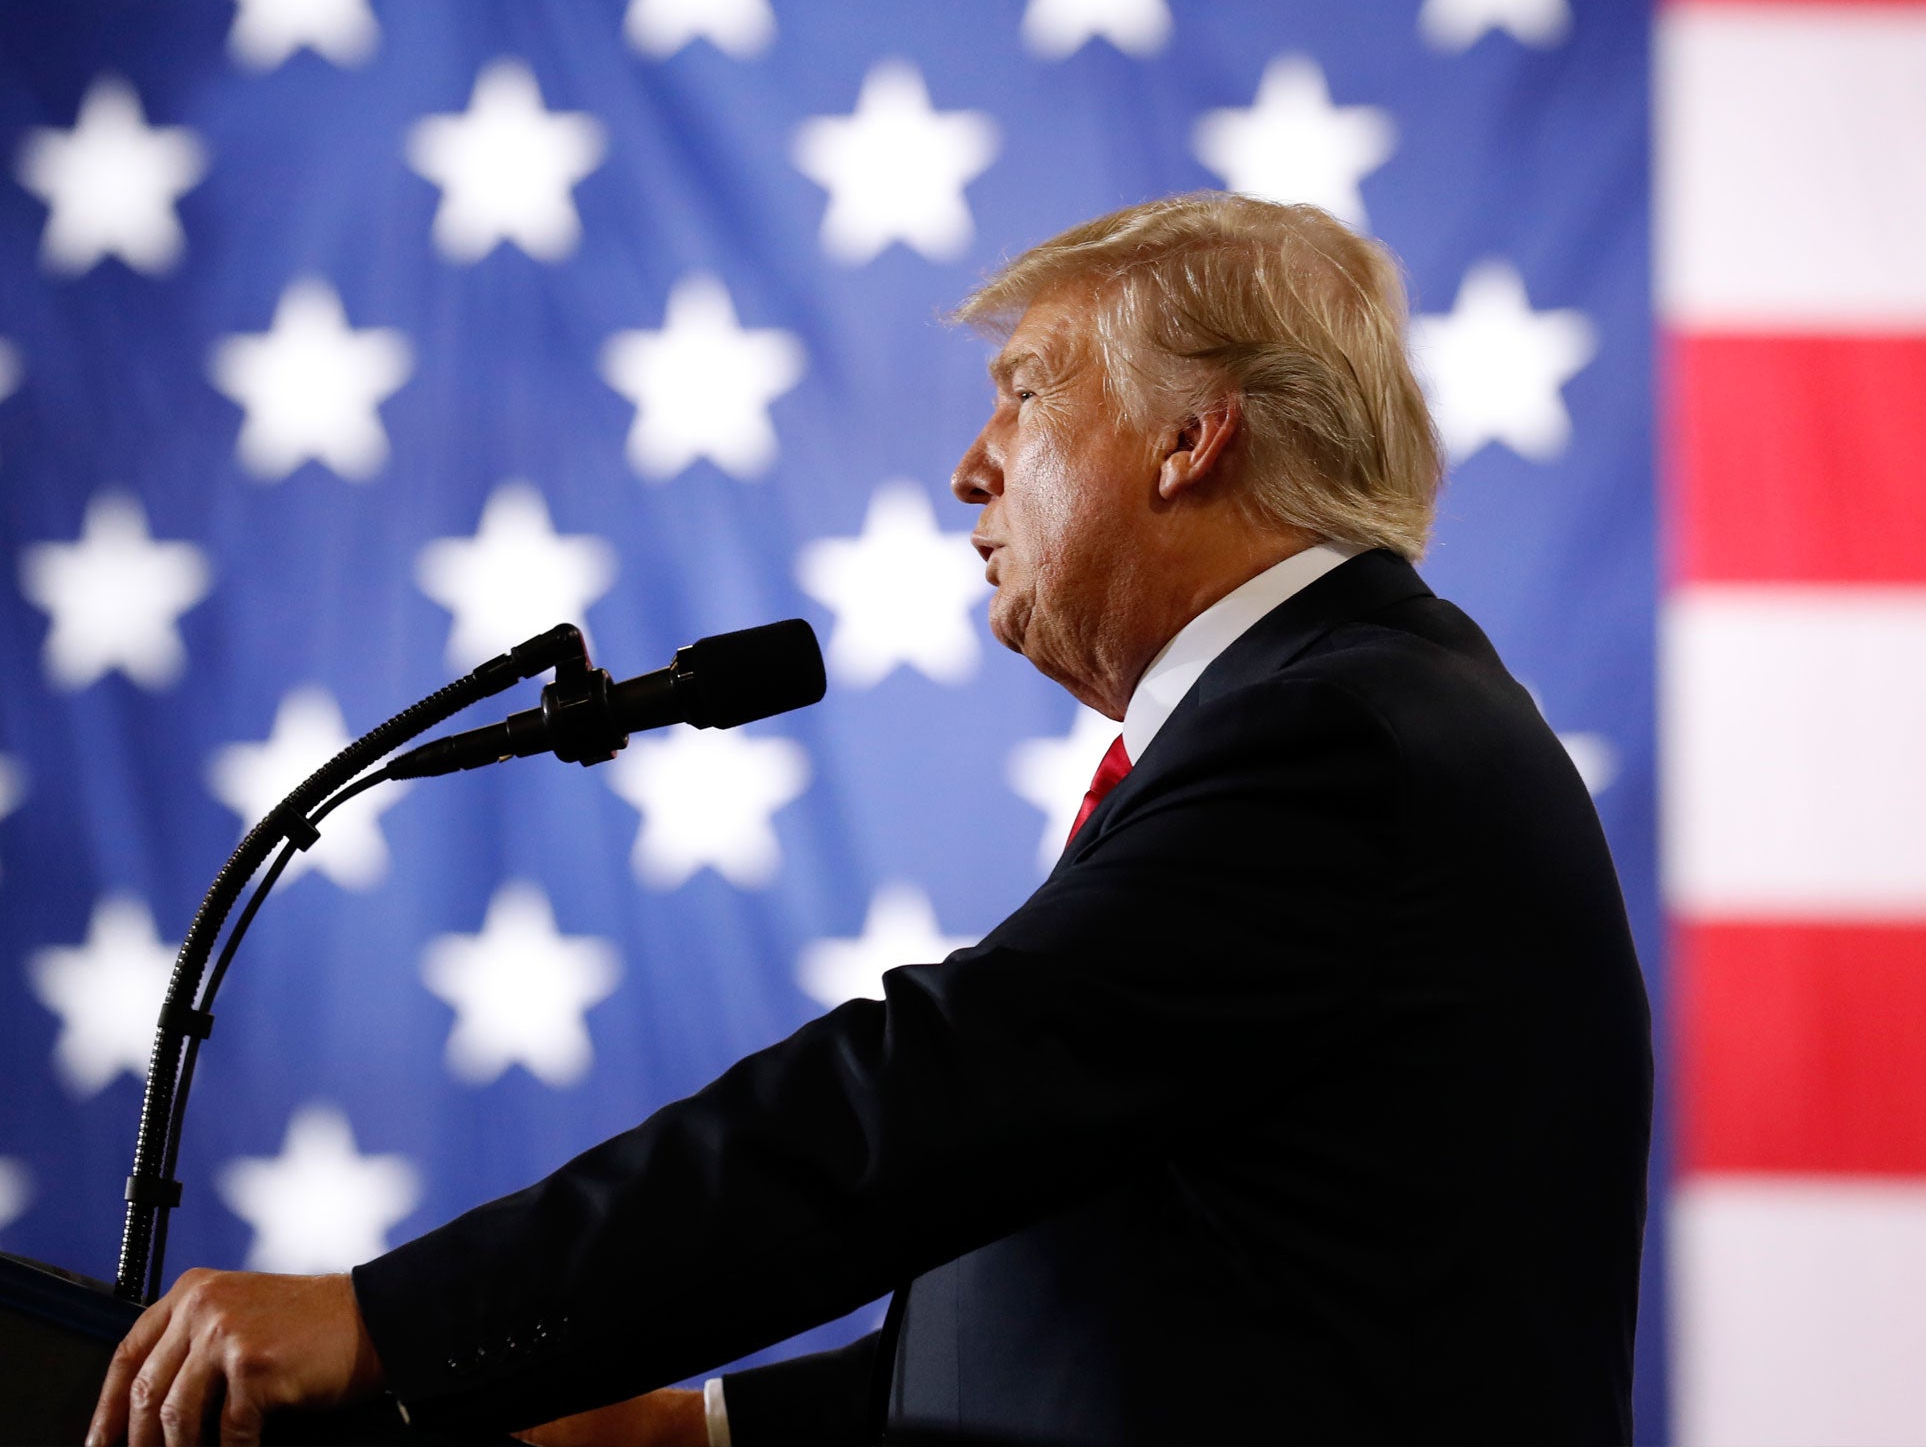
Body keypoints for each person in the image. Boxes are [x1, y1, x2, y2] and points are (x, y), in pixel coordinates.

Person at [92, 192, 1652, 1447]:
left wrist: (391, 1324)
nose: (972, 468)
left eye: (1026, 396)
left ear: (1194, 438)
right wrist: (695, 1425)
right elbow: (1125, 1302)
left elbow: (921, 1103)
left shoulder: (1342, 737)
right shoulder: (1347, 711)